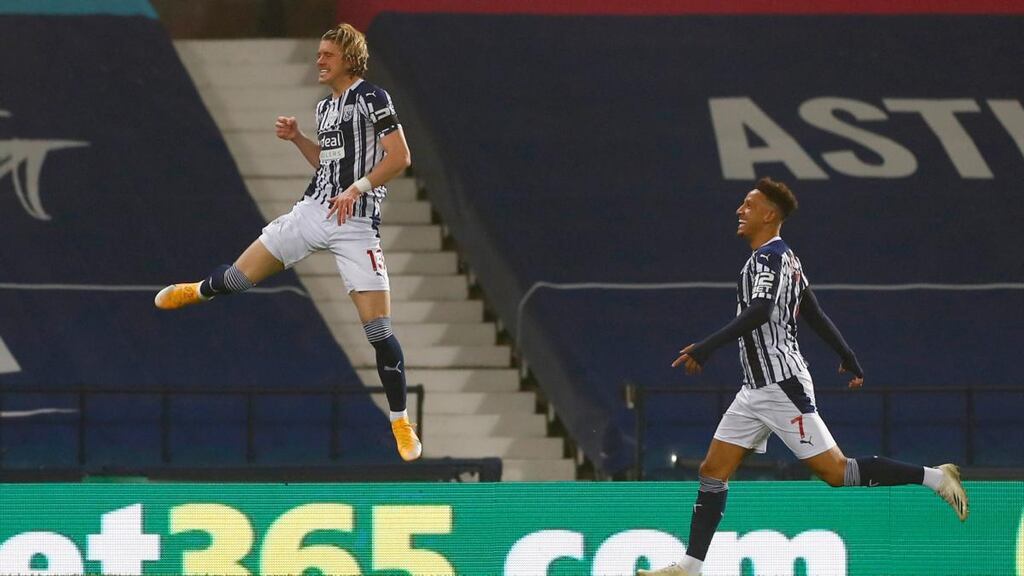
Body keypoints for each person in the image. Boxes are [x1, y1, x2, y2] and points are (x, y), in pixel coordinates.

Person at [638, 177, 967, 576]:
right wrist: (847, 354)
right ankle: (690, 566)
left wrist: (706, 347)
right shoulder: (787, 259)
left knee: (837, 472)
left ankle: (936, 477)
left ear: (769, 214)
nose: (739, 211)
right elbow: (811, 310)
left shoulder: (770, 259)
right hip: (754, 390)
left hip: (781, 386)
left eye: (748, 204)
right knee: (712, 469)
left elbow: (760, 310)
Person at [154, 23, 421, 462]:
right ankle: (197, 290)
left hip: (355, 223)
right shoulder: (325, 109)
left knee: (378, 330)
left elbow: (400, 156)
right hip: (315, 211)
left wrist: (356, 189)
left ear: (349, 59)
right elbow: (327, 167)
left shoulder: (373, 98)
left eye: (327, 54)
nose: (319, 60)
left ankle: (400, 421)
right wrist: (299, 139)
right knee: (239, 279)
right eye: (318, 53)